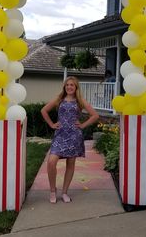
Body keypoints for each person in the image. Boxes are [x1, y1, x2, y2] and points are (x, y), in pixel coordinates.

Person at [41, 76, 99, 204]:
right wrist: (51, 124)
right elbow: (44, 110)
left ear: (76, 87)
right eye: (67, 85)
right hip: (60, 134)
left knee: (70, 164)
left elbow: (95, 115)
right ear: (64, 87)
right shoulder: (59, 99)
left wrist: (83, 125)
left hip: (74, 135)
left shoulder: (80, 101)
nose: (69, 87)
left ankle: (65, 192)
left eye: (72, 85)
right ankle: (52, 190)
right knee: (51, 161)